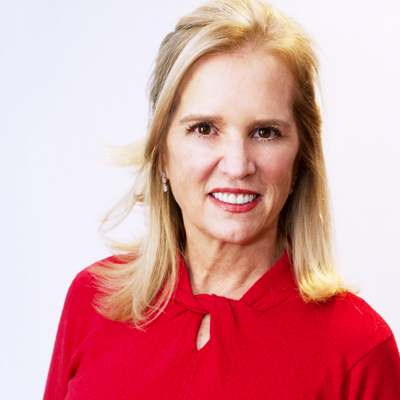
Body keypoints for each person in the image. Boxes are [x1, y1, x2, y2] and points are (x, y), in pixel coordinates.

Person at [44, 0, 400, 398]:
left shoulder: (358, 349)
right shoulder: (94, 299)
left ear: (302, 155)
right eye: (204, 128)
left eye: (265, 132)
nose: (237, 165)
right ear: (162, 150)